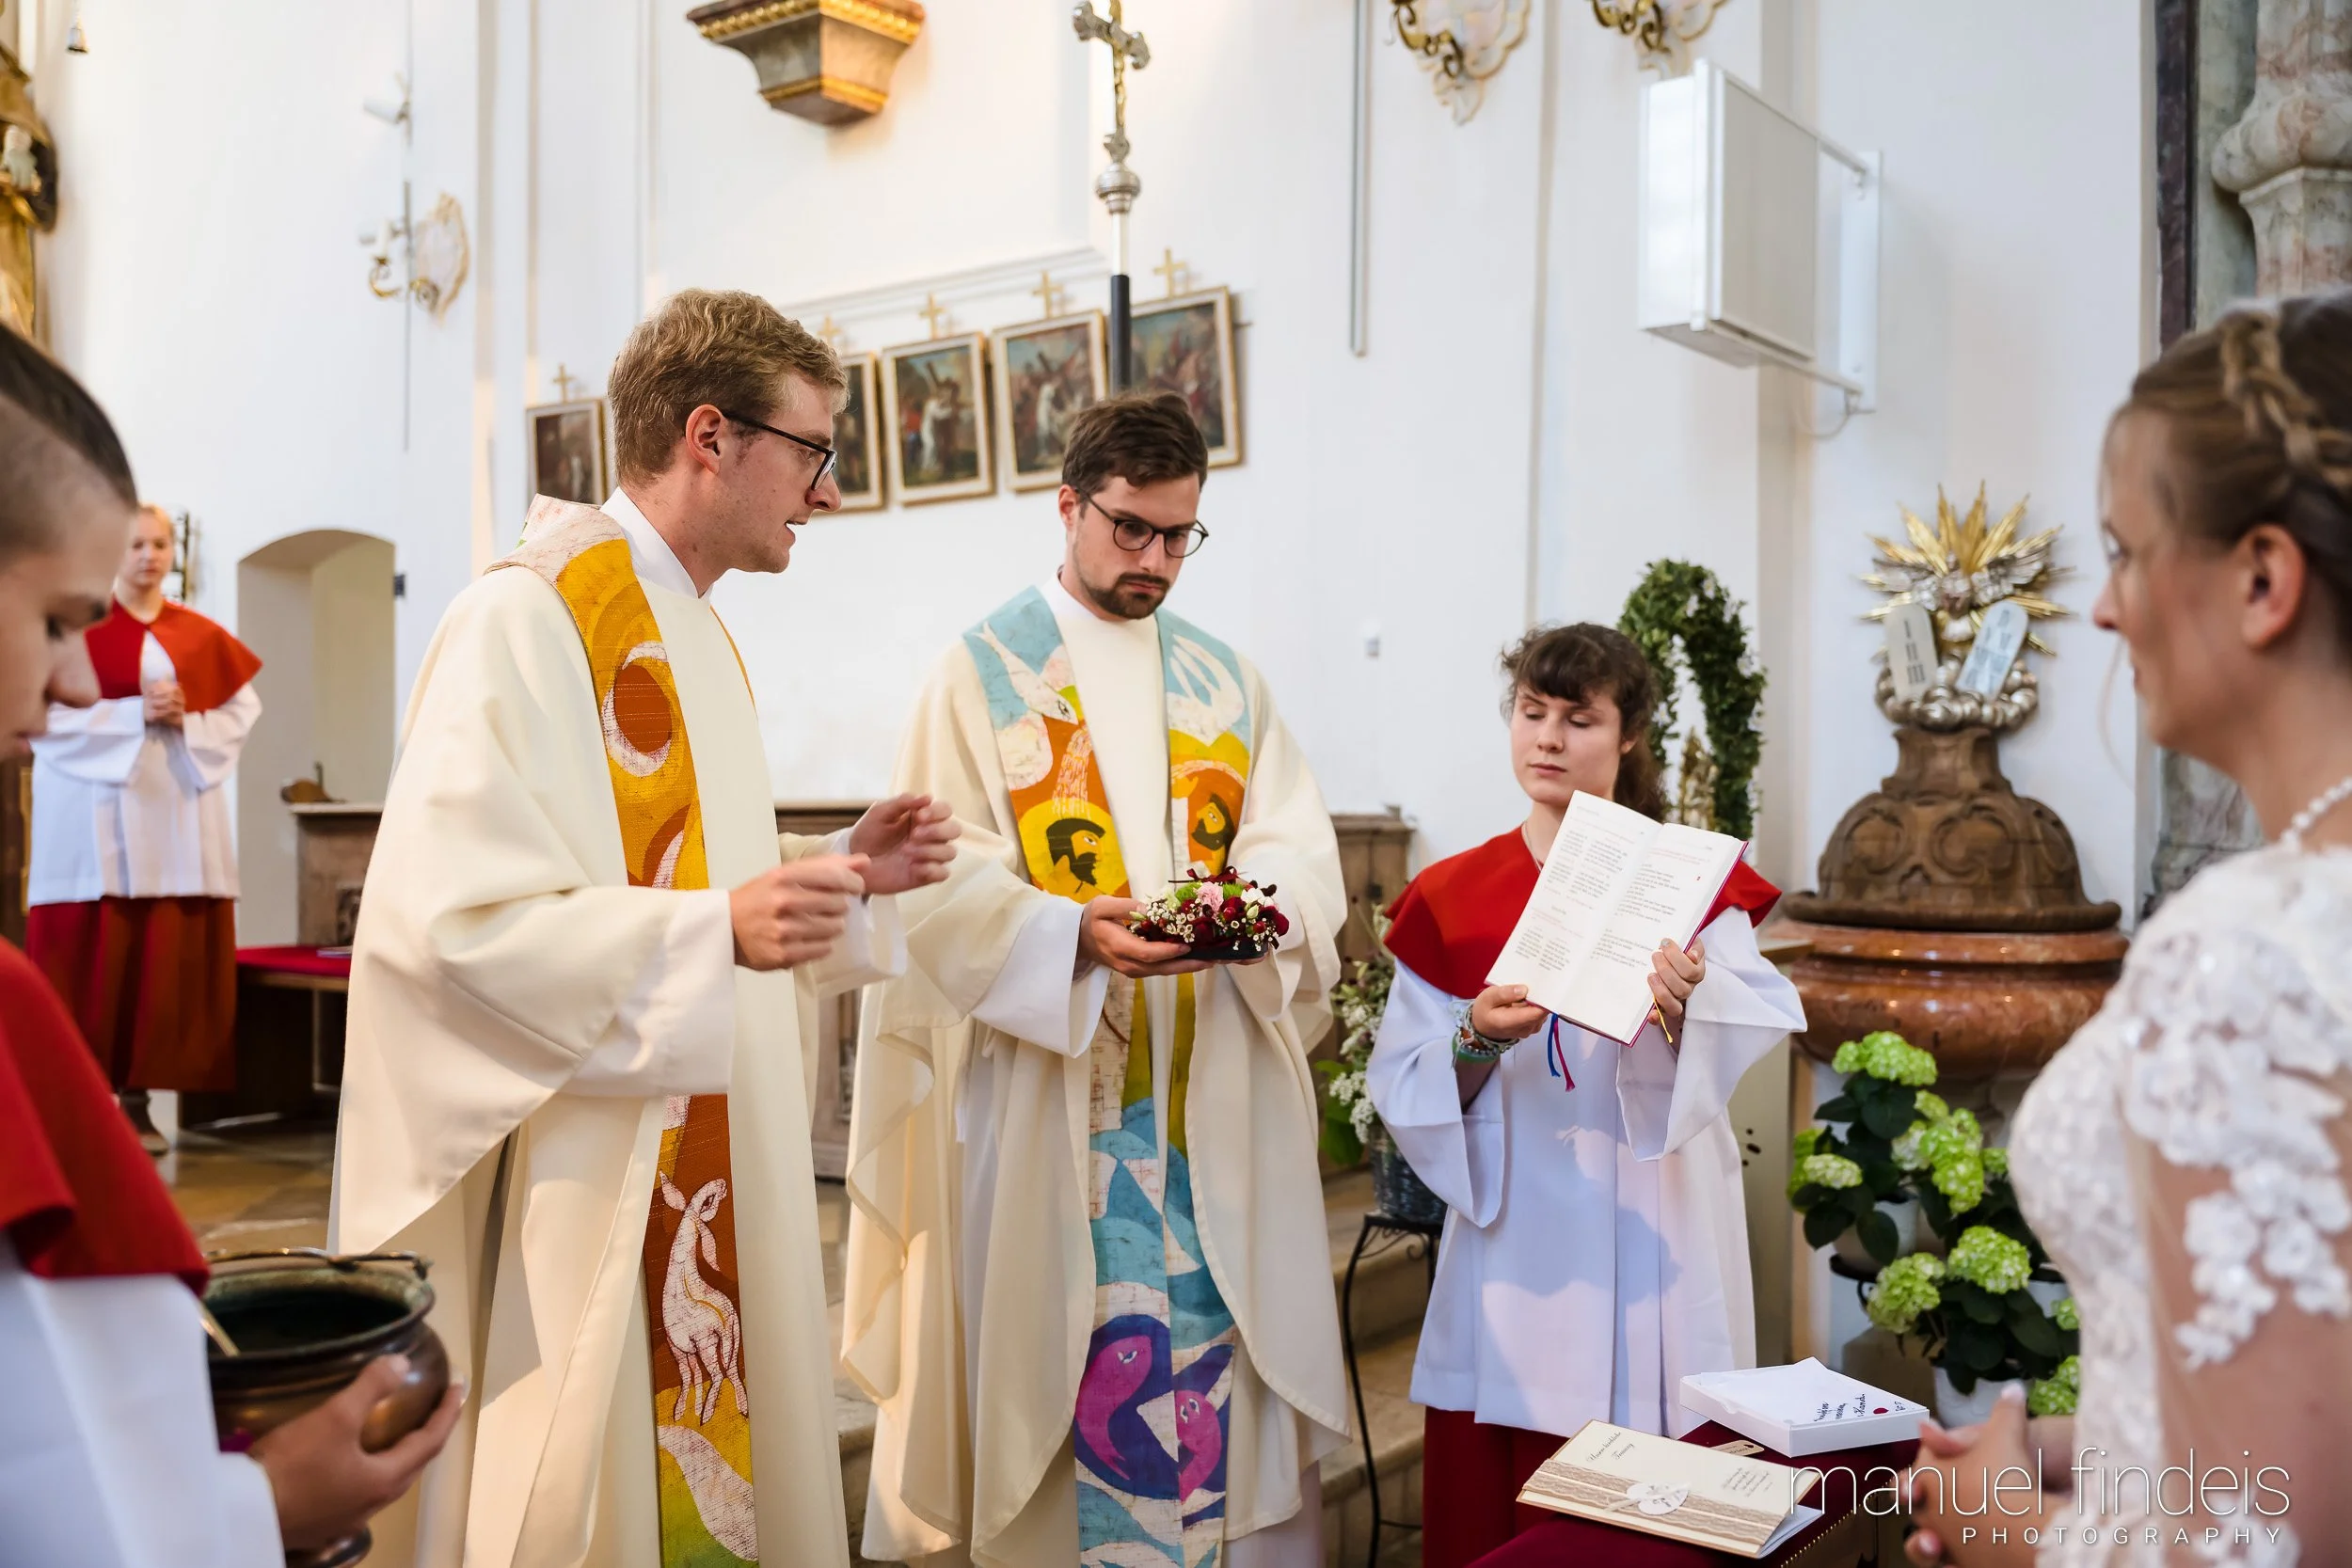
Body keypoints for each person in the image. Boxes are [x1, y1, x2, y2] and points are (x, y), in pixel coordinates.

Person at [328, 289, 958, 1568]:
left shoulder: (694, 632)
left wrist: (838, 872)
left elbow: (688, 882)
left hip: (708, 1144)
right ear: (712, 436)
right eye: (816, 454)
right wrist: (709, 928)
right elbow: (448, 926)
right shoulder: (525, 614)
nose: (827, 495)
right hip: (598, 1164)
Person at [845, 391, 1350, 1567]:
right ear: (1067, 505)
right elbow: (936, 877)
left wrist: (1252, 911)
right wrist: (1068, 933)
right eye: (1131, 528)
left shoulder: (1227, 684)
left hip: (1208, 1105)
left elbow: (1294, 845)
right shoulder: (980, 675)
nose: (1157, 560)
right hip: (1052, 1111)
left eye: (1180, 536)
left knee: (1220, 1376)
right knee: (1058, 1360)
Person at [1902, 295, 2352, 1565]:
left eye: (2125, 550)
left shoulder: (2252, 950)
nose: (2101, 611)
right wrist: (2100, 1442)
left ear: (2263, 577)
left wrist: (2007, 1528)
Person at [0, 313, 456, 1564]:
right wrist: (258, 1508)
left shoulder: (199, 644)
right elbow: (59, 1460)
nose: (79, 676)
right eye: (53, 619)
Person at [1365, 623, 1805, 1568]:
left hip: (1658, 1212)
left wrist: (1691, 1004)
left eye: (1579, 717)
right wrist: (1473, 1035)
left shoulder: (1693, 879)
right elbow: (1403, 1075)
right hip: (1518, 1227)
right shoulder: (1450, 893)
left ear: (1629, 733)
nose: (1549, 738)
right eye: (1532, 712)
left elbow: (1753, 1015)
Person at [25, 500, 261, 1153]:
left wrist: (189, 717)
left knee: (161, 965)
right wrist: (133, 717)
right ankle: (79, 1099)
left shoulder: (200, 633)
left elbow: (239, 714)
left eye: (159, 544)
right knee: (92, 961)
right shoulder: (72, 631)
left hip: (175, 819)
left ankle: (137, 1100)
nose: (149, 556)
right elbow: (39, 717)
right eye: (136, 545)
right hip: (95, 821)